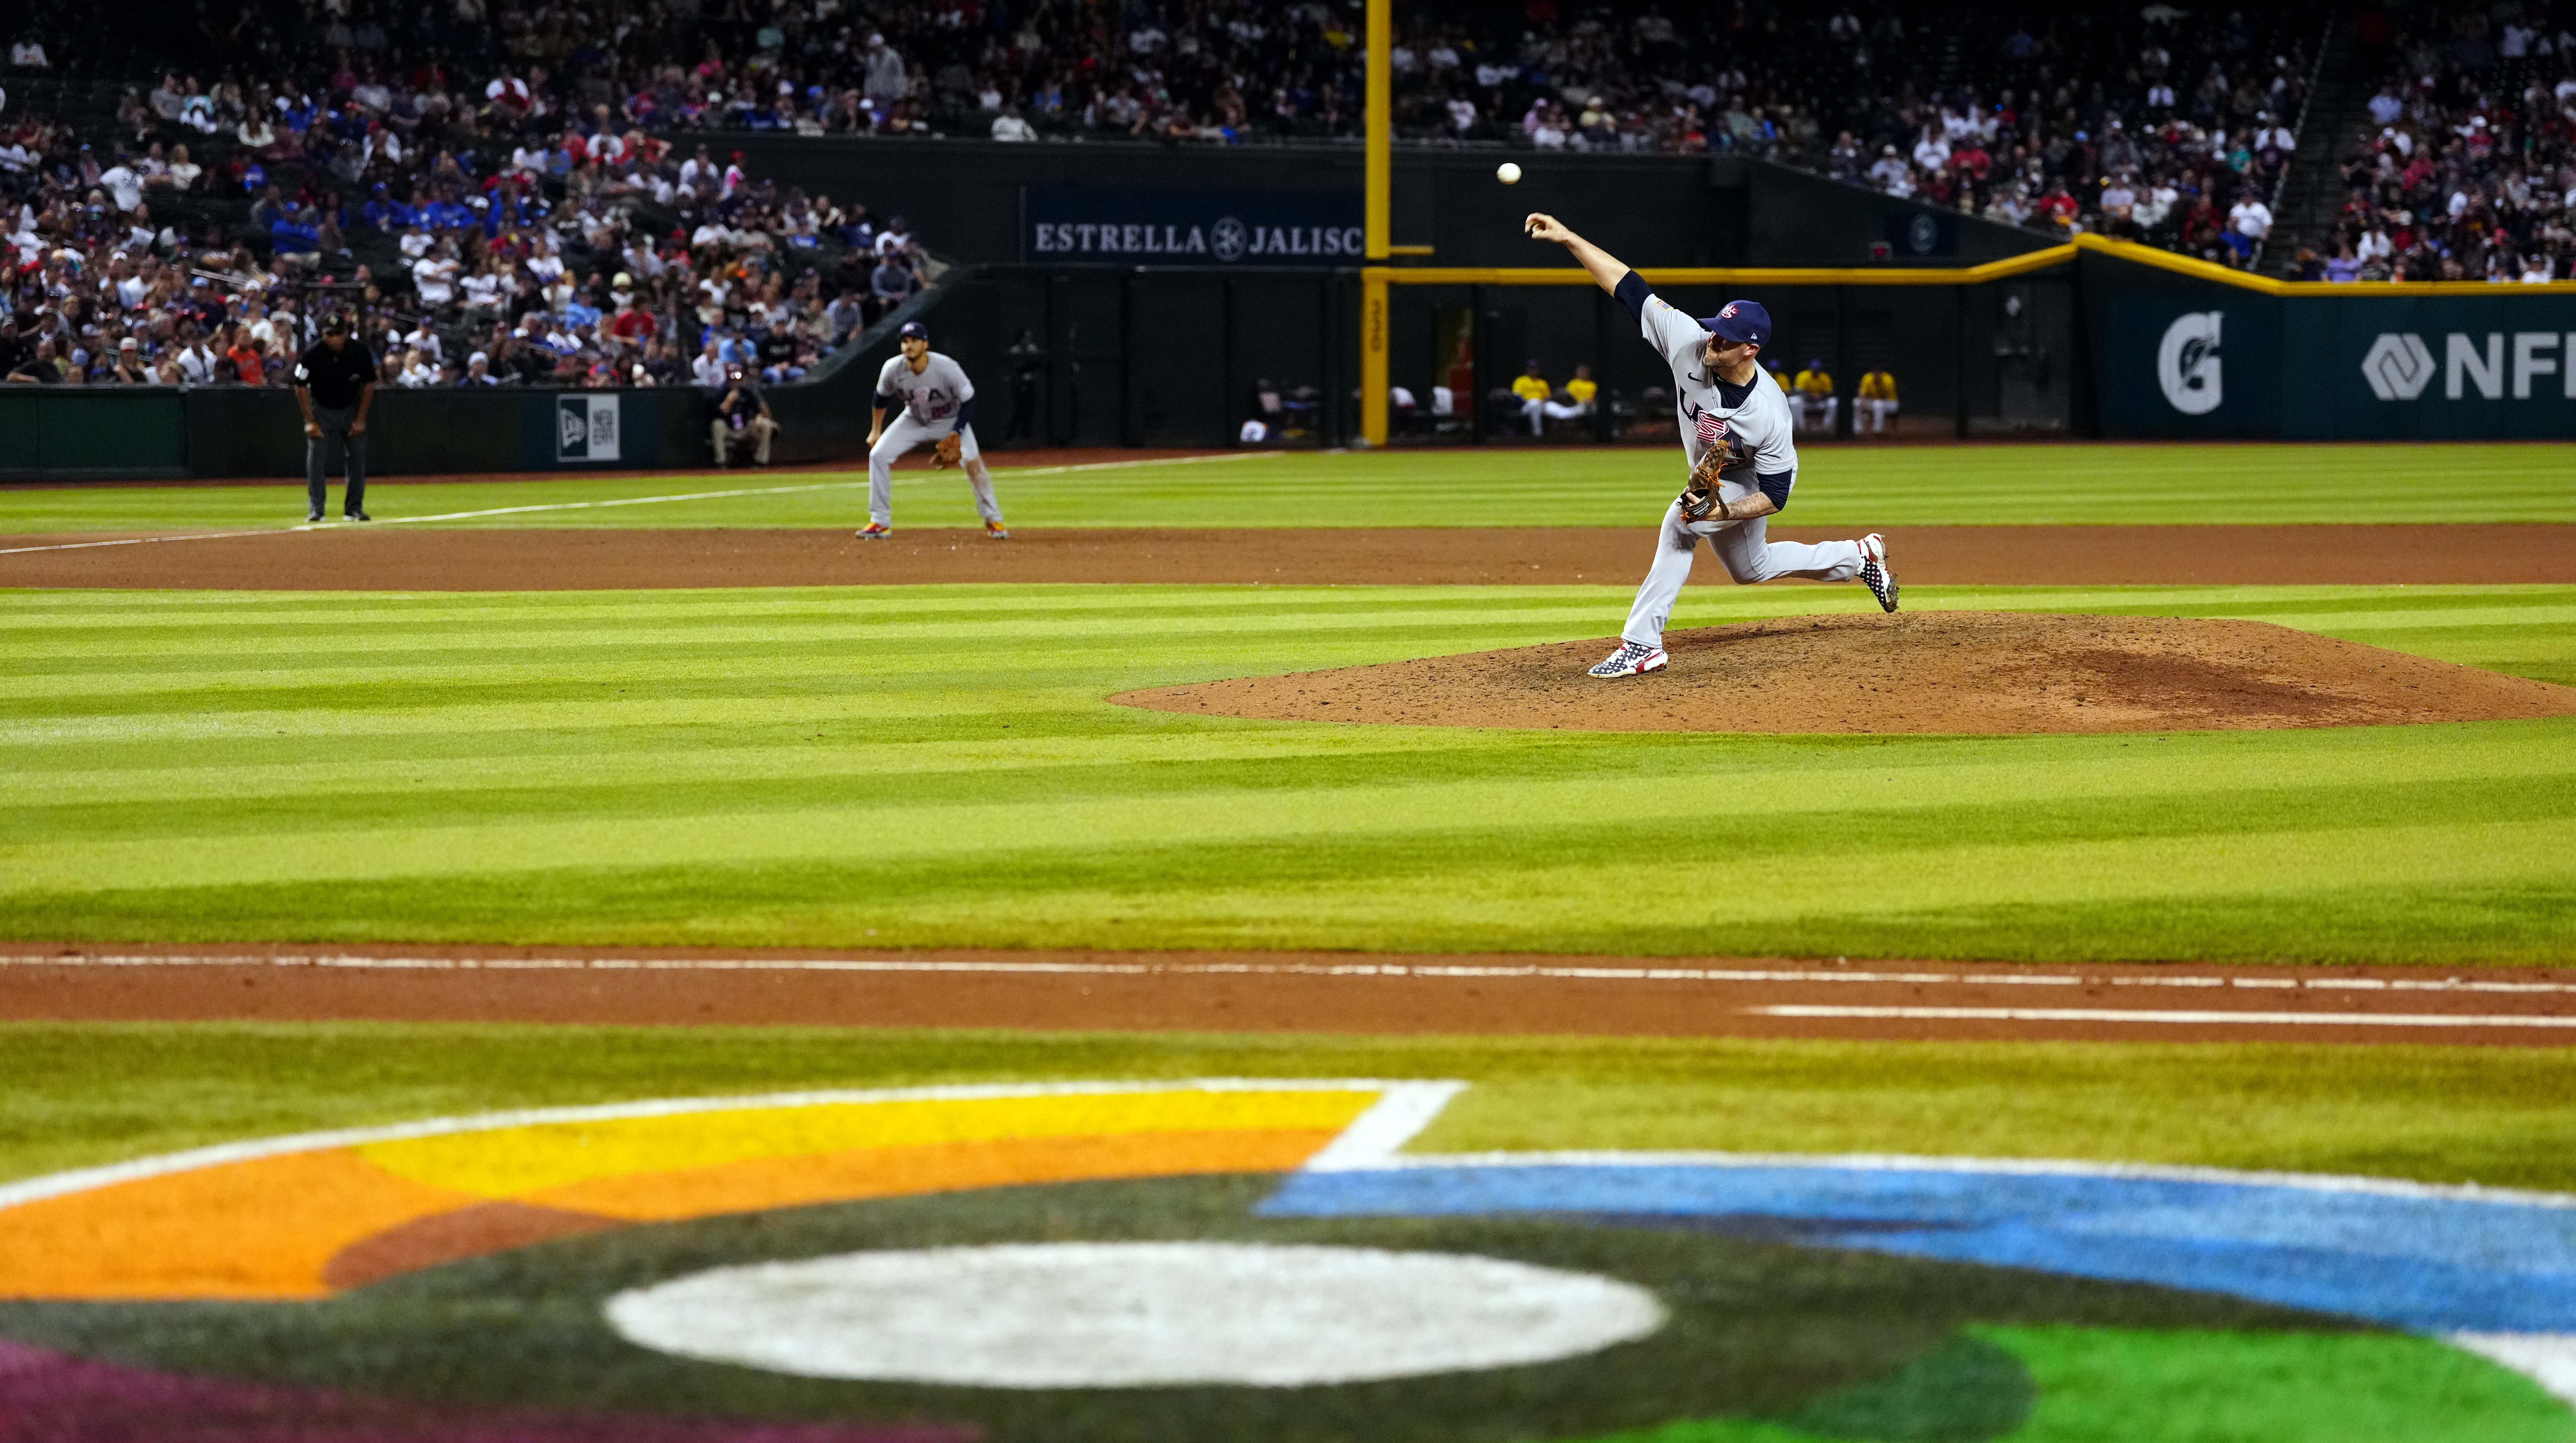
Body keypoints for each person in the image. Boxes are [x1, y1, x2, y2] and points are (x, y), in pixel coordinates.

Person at [1522, 210, 1897, 680]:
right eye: (1717, 328)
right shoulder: (1688, 339)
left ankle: (1642, 644)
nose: (1715, 339)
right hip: (1713, 473)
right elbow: (1626, 286)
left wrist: (1720, 513)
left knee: (1681, 524)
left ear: (1751, 350)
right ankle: (1858, 555)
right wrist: (1569, 238)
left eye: (1728, 338)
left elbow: (1776, 496)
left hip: (1752, 479)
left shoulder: (1770, 413)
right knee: (1751, 568)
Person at [858, 320, 1007, 539]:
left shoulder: (946, 367)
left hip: (950, 421)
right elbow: (881, 398)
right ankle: (880, 522)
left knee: (973, 462)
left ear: (926, 344)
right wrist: (876, 430)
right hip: (914, 419)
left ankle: (993, 519)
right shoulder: (892, 368)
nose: (909, 346)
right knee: (878, 455)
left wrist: (957, 431)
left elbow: (969, 400)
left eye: (914, 341)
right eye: (905, 341)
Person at [290, 312, 377, 523]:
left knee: (357, 460)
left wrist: (361, 418)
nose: (334, 339)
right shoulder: (312, 353)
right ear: (324, 335)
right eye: (330, 335)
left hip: (350, 408)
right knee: (316, 462)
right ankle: (316, 510)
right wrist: (310, 421)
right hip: (321, 409)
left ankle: (354, 509)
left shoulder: (359, 352)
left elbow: (369, 384)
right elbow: (300, 386)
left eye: (338, 334)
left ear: (346, 334)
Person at [711, 363, 777, 465]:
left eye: (738, 380)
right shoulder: (721, 392)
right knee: (717, 424)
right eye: (733, 381)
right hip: (729, 429)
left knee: (766, 425)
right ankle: (721, 462)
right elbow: (716, 414)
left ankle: (760, 462)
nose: (736, 383)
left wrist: (759, 418)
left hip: (746, 428)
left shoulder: (747, 392)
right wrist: (728, 401)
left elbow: (758, 411)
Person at [1790, 358, 1837, 432]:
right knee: (1795, 401)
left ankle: (1827, 428)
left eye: (1817, 370)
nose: (1815, 371)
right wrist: (1811, 396)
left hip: (1820, 402)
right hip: (1806, 401)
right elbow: (1798, 391)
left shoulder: (1825, 377)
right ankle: (1800, 428)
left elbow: (1830, 393)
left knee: (1834, 402)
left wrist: (1821, 396)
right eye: (1814, 369)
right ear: (1810, 369)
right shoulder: (1803, 376)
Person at [1856, 367, 1899, 434]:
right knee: (1857, 403)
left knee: (1878, 405)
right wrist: (1863, 402)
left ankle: (1877, 430)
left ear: (1882, 374)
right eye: (1875, 374)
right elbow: (1862, 394)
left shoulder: (1888, 380)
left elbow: (1885, 397)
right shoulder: (1868, 378)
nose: (1877, 376)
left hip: (1891, 403)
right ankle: (1858, 428)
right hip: (1874, 401)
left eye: (1879, 374)